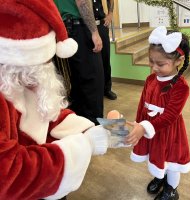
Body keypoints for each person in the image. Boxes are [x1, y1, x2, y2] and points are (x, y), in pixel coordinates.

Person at [0, 0, 123, 199]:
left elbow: (52, 114)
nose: (49, 66)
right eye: (44, 62)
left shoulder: (23, 79)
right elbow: (9, 176)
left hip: (48, 184)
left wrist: (110, 132)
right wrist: (86, 145)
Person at [126, 26, 190, 200]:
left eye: (160, 64)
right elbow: (143, 105)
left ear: (178, 61)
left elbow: (170, 116)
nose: (154, 67)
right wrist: (138, 124)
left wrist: (145, 127)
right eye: (151, 61)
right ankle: (159, 176)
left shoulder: (181, 87)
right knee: (157, 156)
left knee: (171, 162)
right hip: (151, 130)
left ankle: (171, 189)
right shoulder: (150, 80)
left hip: (170, 133)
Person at [54, 0, 105, 125]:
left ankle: (79, 128)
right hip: (79, 28)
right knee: (93, 83)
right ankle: (93, 129)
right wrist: (94, 32)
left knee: (76, 83)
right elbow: (82, 1)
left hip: (64, 30)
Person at [92, 0, 117, 100]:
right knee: (92, 62)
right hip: (85, 26)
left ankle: (107, 89)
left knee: (105, 59)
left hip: (101, 25)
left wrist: (110, 13)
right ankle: (95, 90)